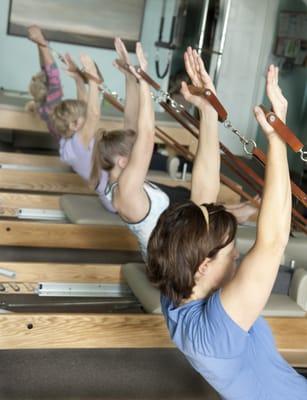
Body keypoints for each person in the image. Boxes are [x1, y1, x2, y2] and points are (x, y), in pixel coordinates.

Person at [147, 61, 307, 399]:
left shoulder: (178, 286)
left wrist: (207, 112)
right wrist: (277, 139)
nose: (237, 256)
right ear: (204, 265)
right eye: (231, 252)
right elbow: (273, 240)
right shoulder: (215, 331)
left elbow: (202, 196)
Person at [90, 40, 170, 260]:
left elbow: (132, 124)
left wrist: (130, 76)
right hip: (168, 264)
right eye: (134, 152)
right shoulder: (126, 188)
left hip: (169, 251)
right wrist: (144, 79)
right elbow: (147, 134)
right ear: (124, 161)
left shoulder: (118, 180)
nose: (140, 153)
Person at [27, 25, 114, 212]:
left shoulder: (63, 129)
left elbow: (84, 110)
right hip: (115, 195)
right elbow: (92, 113)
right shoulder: (77, 141)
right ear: (75, 125)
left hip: (110, 190)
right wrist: (92, 79)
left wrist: (77, 79)